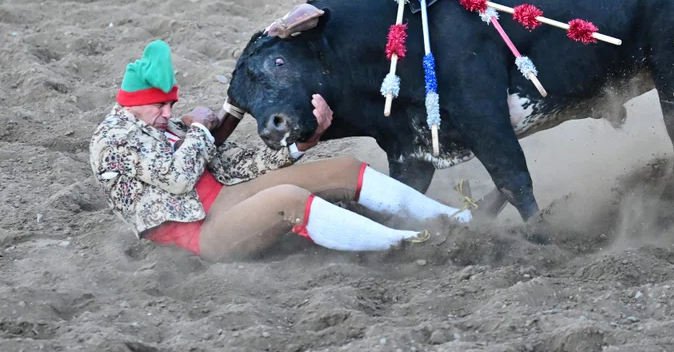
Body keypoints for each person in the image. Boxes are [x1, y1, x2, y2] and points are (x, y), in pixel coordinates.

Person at [89, 39, 471, 261]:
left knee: (341, 168)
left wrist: (299, 145)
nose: (168, 114)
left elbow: (235, 164)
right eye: (160, 106)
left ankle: (454, 220)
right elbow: (177, 179)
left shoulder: (157, 124)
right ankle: (405, 245)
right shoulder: (113, 141)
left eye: (171, 105)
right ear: (131, 102)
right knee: (287, 198)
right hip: (199, 236)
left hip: (224, 199)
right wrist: (201, 132)